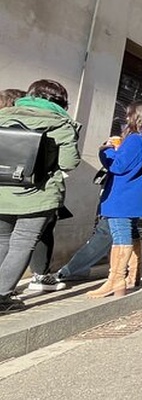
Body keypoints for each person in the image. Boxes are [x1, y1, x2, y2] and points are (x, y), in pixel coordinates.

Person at [0, 80, 81, 313]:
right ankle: (2, 297)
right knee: (22, 243)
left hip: (2, 189)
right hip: (38, 194)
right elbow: (69, 162)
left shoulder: (4, 115)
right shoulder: (61, 123)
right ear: (61, 102)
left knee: (2, 241)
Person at [87, 101, 142, 298]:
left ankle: (116, 280)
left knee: (120, 235)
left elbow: (118, 166)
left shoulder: (136, 140)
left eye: (129, 115)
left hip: (122, 197)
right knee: (131, 230)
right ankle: (133, 275)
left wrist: (106, 149)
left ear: (135, 117)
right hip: (139, 197)